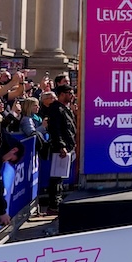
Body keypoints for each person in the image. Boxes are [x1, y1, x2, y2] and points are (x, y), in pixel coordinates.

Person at [45, 84, 77, 214]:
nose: (72, 95)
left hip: (68, 146)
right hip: (60, 149)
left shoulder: (65, 109)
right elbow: (55, 129)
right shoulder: (56, 109)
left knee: (61, 177)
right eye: (69, 93)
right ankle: (54, 205)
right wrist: (61, 145)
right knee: (57, 177)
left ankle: (56, 202)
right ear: (62, 94)